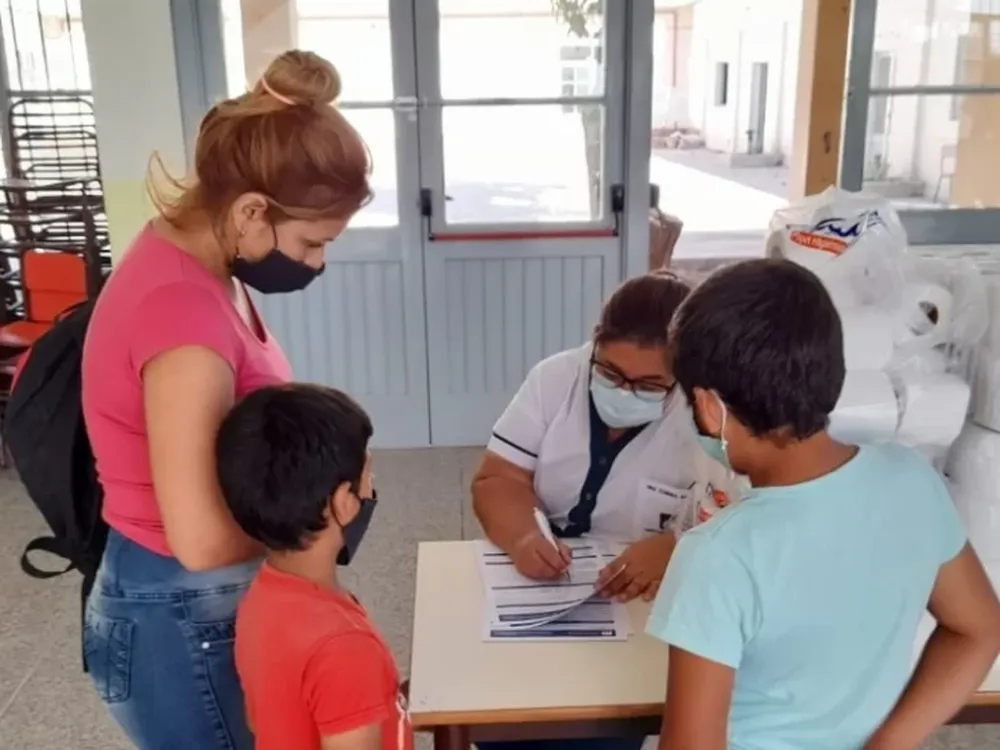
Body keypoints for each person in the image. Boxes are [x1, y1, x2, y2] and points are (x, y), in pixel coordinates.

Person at [80, 50, 371, 749]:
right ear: (250, 211)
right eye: (311, 241)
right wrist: (323, 519)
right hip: (178, 616)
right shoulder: (182, 313)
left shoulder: (203, 263)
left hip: (190, 602)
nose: (316, 262)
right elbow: (202, 537)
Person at [647, 258, 1000, 750]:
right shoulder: (911, 482)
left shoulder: (719, 554)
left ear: (710, 407)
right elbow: (980, 629)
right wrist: (889, 743)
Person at [473, 271, 735, 608]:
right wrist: (522, 536)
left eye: (649, 385)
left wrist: (677, 547)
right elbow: (498, 478)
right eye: (610, 373)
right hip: (545, 578)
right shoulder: (554, 379)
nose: (625, 392)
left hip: (645, 591)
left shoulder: (708, 412)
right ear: (595, 342)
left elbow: (749, 514)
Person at [216, 384, 410, 750]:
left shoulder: (262, 598)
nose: (372, 487)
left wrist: (388, 696)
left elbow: (269, 716)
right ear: (342, 502)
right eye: (367, 474)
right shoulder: (343, 645)